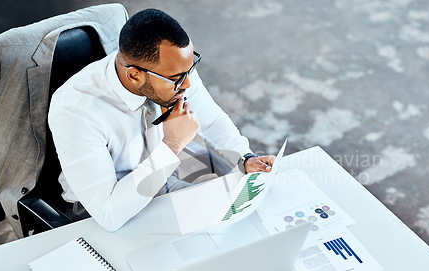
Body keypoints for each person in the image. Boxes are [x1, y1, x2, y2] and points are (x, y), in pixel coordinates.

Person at [48, 9, 275, 232]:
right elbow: (109, 214)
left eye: (190, 70)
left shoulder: (175, 71)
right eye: (177, 79)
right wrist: (172, 145)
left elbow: (212, 121)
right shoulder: (75, 111)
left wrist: (244, 158)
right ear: (135, 75)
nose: (187, 84)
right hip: (110, 207)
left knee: (251, 218)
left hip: (164, 177)